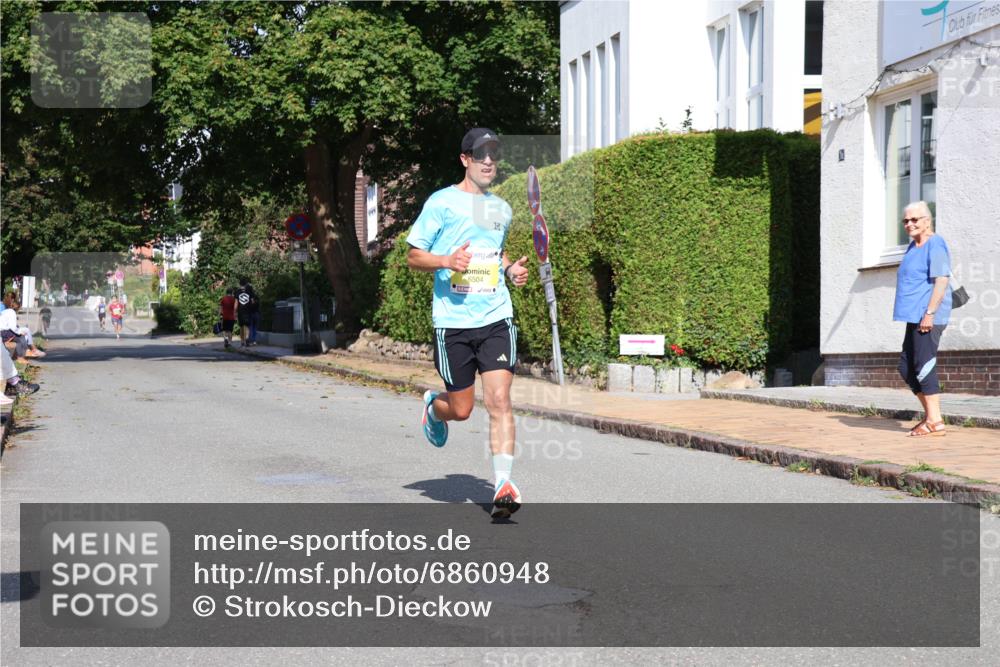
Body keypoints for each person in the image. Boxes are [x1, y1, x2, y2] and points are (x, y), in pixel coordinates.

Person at [406, 128, 529, 519]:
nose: (488, 161)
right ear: (465, 160)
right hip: (453, 322)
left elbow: (496, 252)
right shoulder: (441, 203)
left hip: (495, 317)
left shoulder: (502, 209)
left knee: (499, 400)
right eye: (480, 155)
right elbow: (413, 256)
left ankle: (503, 486)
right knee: (461, 410)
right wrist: (446, 261)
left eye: (493, 155)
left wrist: (510, 270)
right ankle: (433, 407)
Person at [894, 201, 952, 437]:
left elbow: (941, 280)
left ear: (927, 221)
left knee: (923, 366)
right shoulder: (913, 246)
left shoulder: (935, 243)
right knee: (906, 367)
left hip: (928, 315)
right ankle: (931, 417)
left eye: (914, 219)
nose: (909, 224)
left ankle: (935, 421)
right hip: (913, 315)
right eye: (905, 221)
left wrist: (929, 314)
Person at [0, 292, 45, 358]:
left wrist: (18, 331)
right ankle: (28, 351)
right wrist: (19, 332)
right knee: (23, 333)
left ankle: (29, 350)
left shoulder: (6, 311)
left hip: (4, 331)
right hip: (4, 332)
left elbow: (10, 325)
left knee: (24, 332)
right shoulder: (12, 312)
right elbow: (12, 327)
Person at [235, 277, 259, 347]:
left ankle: (242, 341)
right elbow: (252, 301)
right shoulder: (249, 291)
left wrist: (235, 311)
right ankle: (247, 339)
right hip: (248, 311)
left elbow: (236, 302)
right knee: (248, 326)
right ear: (246, 284)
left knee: (241, 326)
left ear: (240, 284)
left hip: (240, 311)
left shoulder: (237, 291)